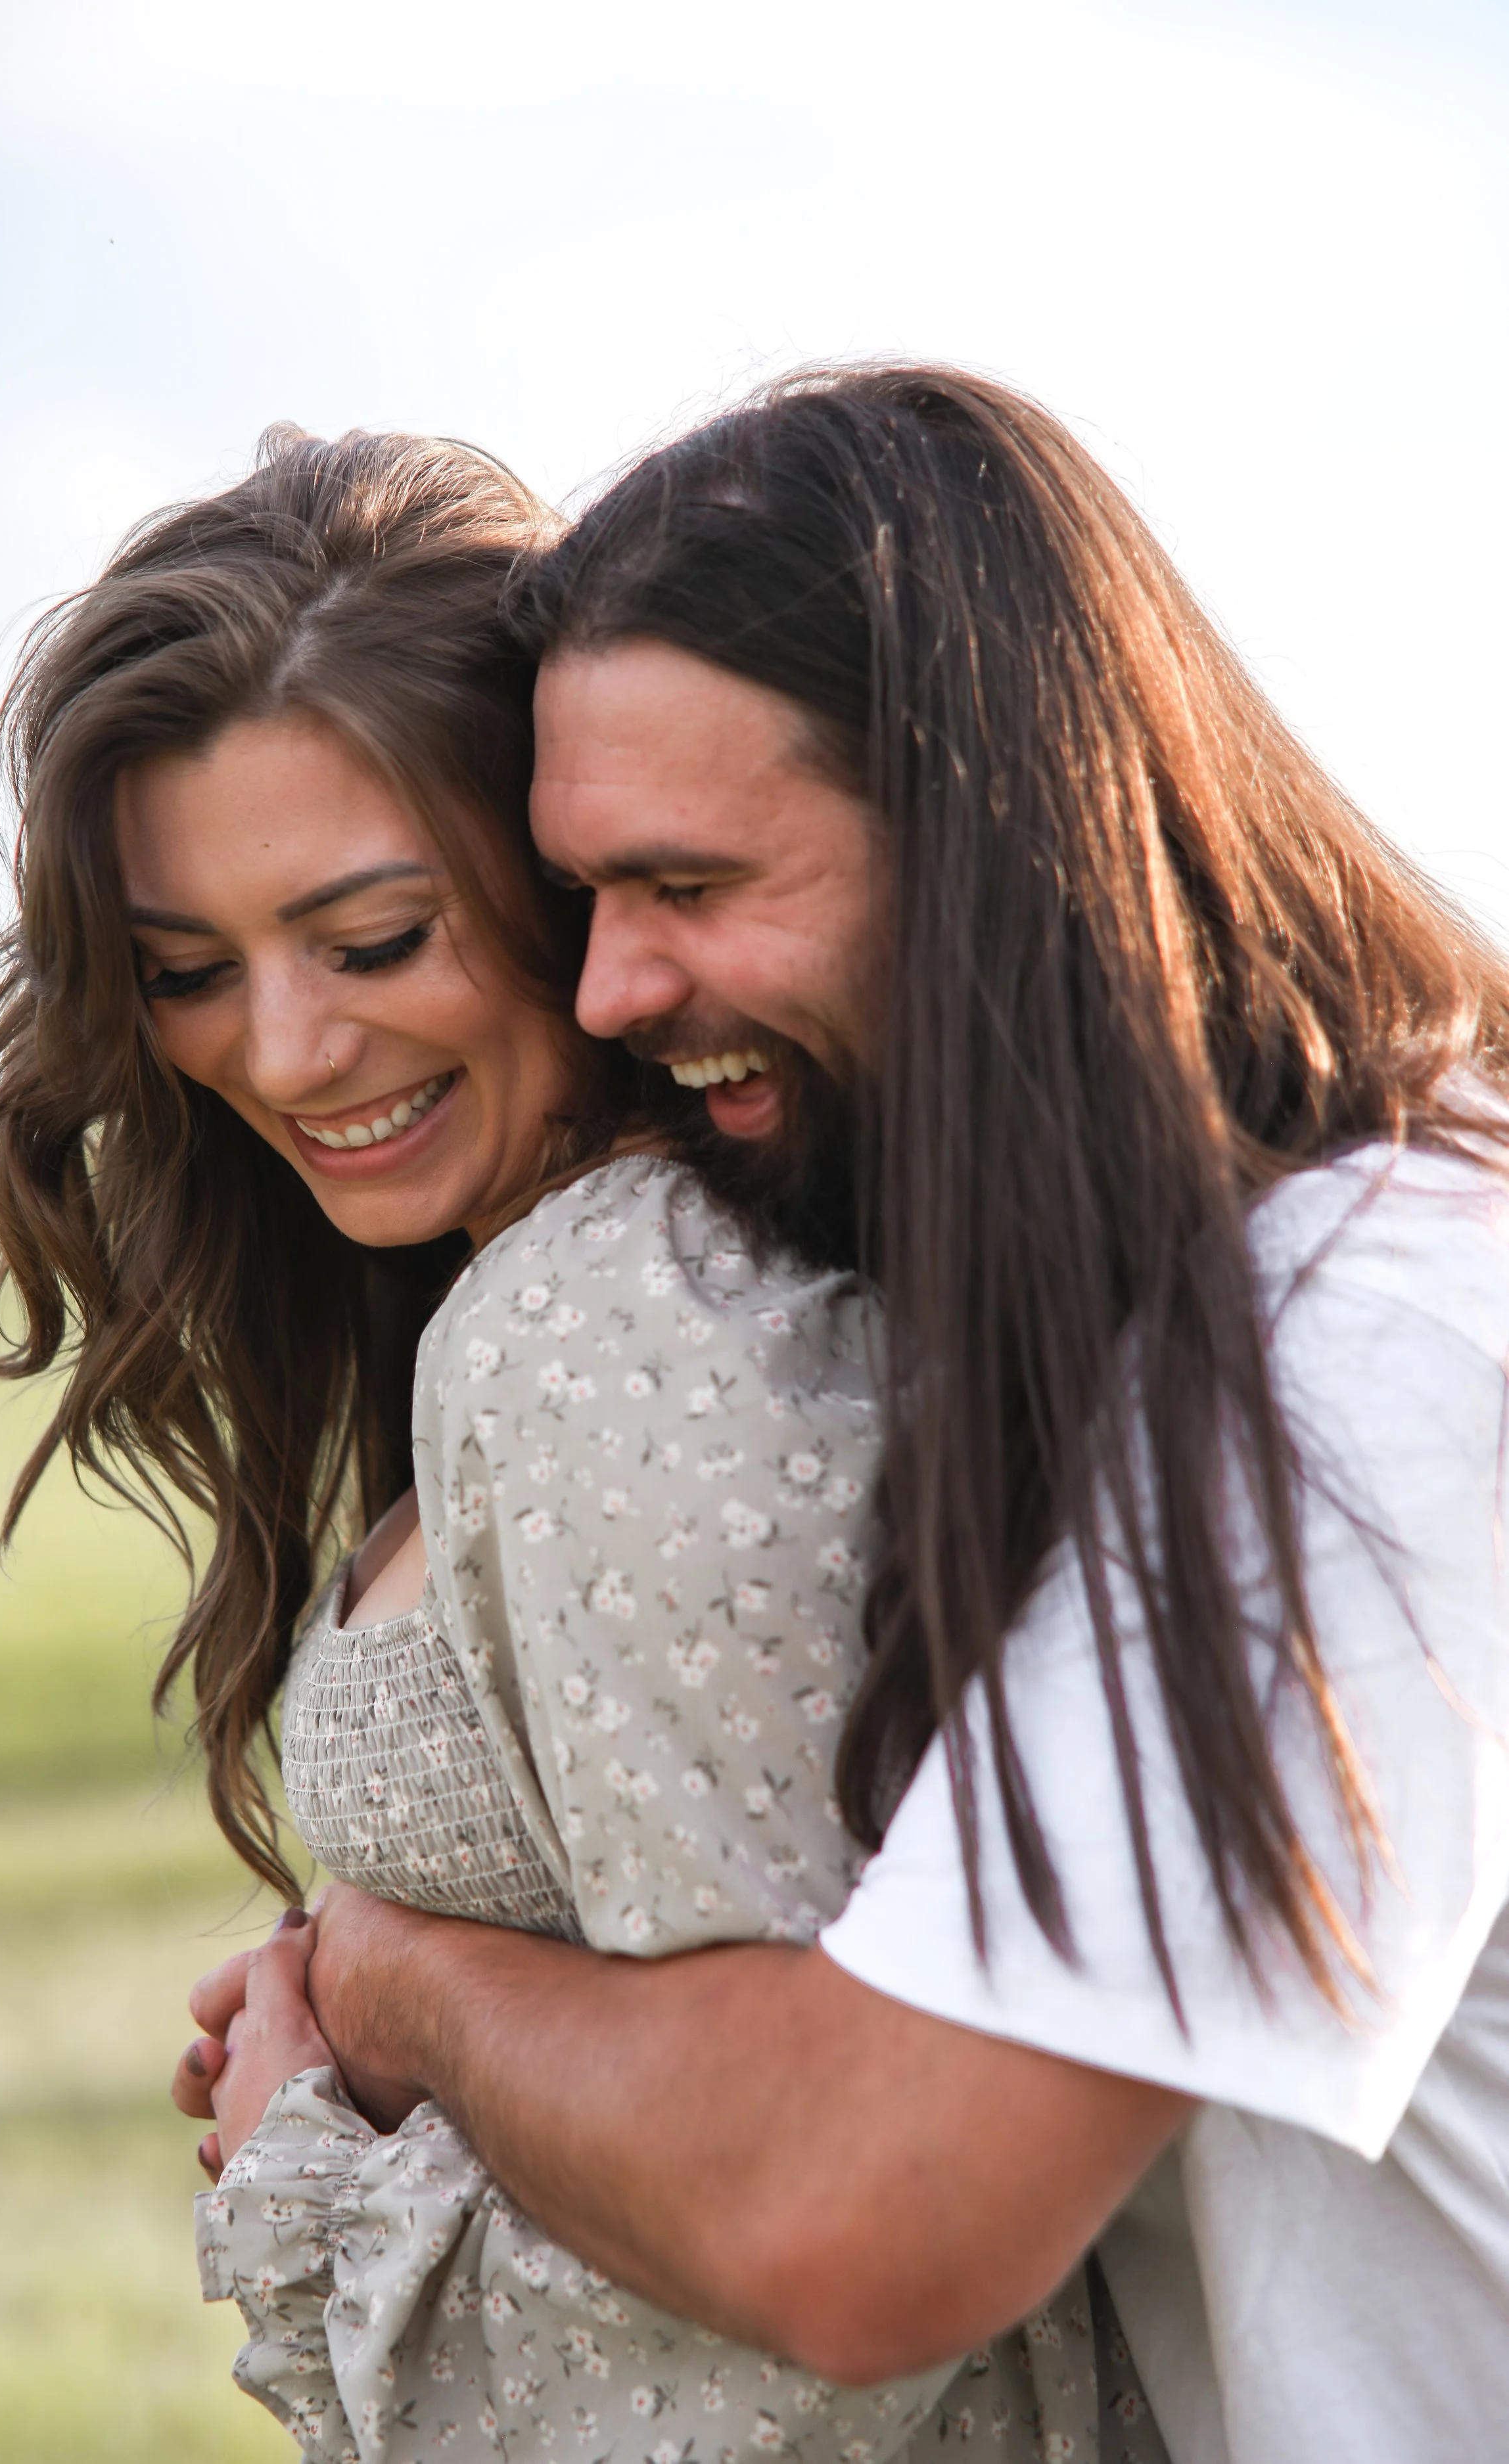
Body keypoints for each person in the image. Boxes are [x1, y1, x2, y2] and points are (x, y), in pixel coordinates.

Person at [181, 366, 1509, 2464]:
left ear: (1005, 846)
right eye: (580, 901)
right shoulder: (1141, 1306)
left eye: (688, 889)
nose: (606, 991)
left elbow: (861, 2220)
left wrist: (393, 1980)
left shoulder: (1378, 1348)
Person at [0, 426, 1146, 2463]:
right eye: (185, 973)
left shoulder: (605, 1314)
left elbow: (819, 2289)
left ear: (555, 858)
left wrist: (310, 2165)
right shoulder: (548, 1288)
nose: (288, 1051)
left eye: (373, 936)